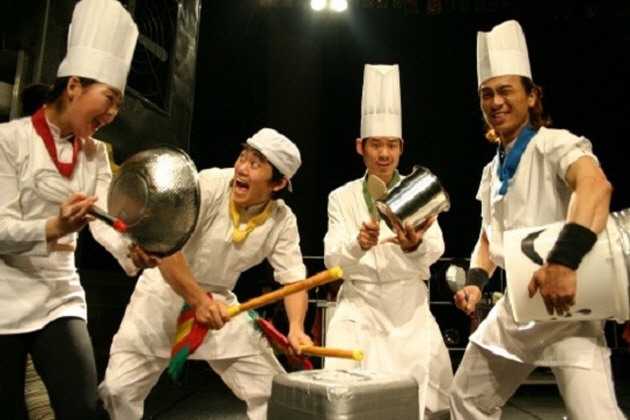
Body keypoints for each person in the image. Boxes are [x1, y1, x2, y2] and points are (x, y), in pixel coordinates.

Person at [450, 20, 626, 420]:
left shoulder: (554, 143)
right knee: (466, 398)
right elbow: (488, 238)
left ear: (532, 96)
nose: (496, 101)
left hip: (568, 306)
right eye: (487, 94)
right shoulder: (491, 171)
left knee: (593, 415)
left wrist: (563, 261)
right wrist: (475, 283)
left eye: (506, 90)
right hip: (517, 305)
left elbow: (595, 187)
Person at [98, 127, 313, 420]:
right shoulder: (210, 185)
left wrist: (297, 328)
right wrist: (198, 300)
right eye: (243, 157)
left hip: (219, 304)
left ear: (278, 183)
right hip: (161, 294)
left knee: (272, 392)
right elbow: (165, 245)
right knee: (117, 392)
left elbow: (294, 279)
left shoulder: (282, 220)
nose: (242, 168)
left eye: (255, 164)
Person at [0, 0, 139, 418]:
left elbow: (108, 221)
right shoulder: (10, 140)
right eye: (108, 99)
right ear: (74, 86)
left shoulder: (95, 155)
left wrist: (132, 250)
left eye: (118, 104)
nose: (111, 113)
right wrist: (55, 226)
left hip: (59, 293)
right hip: (4, 293)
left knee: (83, 408)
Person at [323, 64, 453, 420]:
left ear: (401, 148)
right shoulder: (342, 197)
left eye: (391, 145)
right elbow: (331, 258)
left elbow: (436, 248)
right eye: (376, 144)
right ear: (360, 147)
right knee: (345, 398)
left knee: (427, 402)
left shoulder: (417, 190)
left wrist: (413, 247)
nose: (384, 153)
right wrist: (358, 244)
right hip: (359, 309)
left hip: (409, 311)